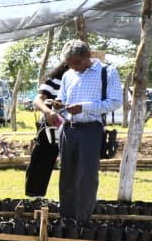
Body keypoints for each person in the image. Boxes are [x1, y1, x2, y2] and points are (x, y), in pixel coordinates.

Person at [53, 40, 122, 221]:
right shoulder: (68, 75)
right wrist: (57, 105)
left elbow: (115, 102)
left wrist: (83, 107)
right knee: (66, 173)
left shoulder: (107, 72)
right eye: (70, 63)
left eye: (77, 62)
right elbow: (62, 100)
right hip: (69, 129)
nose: (74, 67)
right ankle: (66, 216)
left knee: (87, 175)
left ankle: (83, 218)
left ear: (88, 55)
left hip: (91, 130)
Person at [25, 61, 69, 197]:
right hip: (51, 126)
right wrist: (47, 111)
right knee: (42, 161)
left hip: (73, 126)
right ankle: (35, 196)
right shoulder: (53, 81)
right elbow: (37, 100)